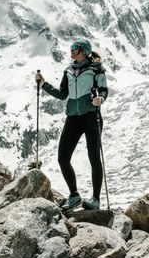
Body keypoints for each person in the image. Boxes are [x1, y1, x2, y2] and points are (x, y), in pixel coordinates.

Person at [35, 39, 108, 210]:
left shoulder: (97, 70)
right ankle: (74, 195)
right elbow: (62, 95)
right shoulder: (68, 70)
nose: (72, 50)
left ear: (84, 50)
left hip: (91, 116)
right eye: (71, 47)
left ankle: (96, 199)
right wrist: (43, 84)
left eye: (75, 47)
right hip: (73, 118)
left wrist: (101, 99)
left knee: (94, 158)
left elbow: (104, 89)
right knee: (63, 158)